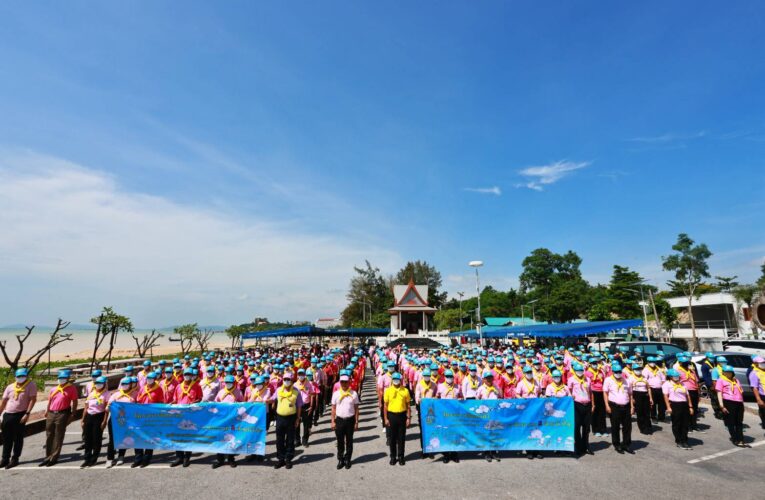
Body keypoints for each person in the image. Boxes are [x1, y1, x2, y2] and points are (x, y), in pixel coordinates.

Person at [0, 368, 37, 469]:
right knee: (6, 438)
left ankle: (15, 458)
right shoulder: (10, 387)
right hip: (8, 414)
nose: (21, 378)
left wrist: (27, 413)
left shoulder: (30, 385)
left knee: (18, 438)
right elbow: (4, 401)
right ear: (15, 377)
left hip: (20, 414)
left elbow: (32, 400)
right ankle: (4, 459)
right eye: (19, 376)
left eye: (23, 376)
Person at [40, 370, 78, 467]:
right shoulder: (54, 389)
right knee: (49, 434)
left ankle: (54, 457)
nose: (61, 380)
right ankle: (48, 456)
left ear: (68, 379)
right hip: (51, 413)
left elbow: (74, 401)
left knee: (58, 435)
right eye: (60, 378)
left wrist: (73, 414)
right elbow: (50, 401)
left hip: (62, 413)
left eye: (63, 378)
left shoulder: (71, 388)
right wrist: (47, 410)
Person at [171, 368, 203, 467]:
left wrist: (195, 402)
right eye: (185, 374)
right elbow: (175, 400)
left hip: (190, 415)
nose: (187, 376)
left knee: (188, 436)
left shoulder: (196, 386)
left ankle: (186, 457)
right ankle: (179, 457)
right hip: (179, 415)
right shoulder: (178, 387)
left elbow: (200, 398)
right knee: (178, 436)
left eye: (189, 374)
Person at [271, 371, 303, 469]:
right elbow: (272, 399)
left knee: (290, 439)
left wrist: (298, 418)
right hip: (280, 418)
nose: (286, 381)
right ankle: (281, 459)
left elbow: (299, 406)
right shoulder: (278, 390)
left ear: (292, 380)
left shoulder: (296, 391)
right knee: (279, 439)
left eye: (288, 379)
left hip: (291, 418)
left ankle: (288, 459)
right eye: (285, 379)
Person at [134, 371, 164, 467]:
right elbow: (138, 400)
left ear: (155, 380)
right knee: (138, 436)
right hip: (140, 416)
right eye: (147, 379)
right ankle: (138, 458)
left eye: (151, 379)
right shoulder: (143, 388)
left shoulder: (159, 389)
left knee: (149, 437)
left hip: (151, 416)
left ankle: (146, 459)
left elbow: (160, 403)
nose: (149, 380)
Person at [331, 372, 360, 470]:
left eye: (346, 382)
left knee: (349, 441)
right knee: (340, 441)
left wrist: (356, 422)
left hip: (350, 420)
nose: (344, 384)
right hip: (339, 420)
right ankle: (340, 459)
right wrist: (332, 421)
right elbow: (333, 408)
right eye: (342, 382)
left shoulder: (354, 393)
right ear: (340, 382)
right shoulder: (336, 394)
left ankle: (348, 459)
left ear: (349, 382)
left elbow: (356, 409)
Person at [603, 364, 634, 454]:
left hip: (626, 405)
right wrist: (607, 406)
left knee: (627, 426)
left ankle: (626, 444)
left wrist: (632, 406)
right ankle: (617, 444)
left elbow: (630, 394)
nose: (618, 373)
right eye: (616, 372)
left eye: (620, 372)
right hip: (614, 406)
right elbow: (605, 393)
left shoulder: (627, 381)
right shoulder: (608, 380)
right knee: (615, 426)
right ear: (613, 372)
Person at [213, 374, 242, 468]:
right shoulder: (221, 392)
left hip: (233, 420)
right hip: (222, 420)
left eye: (230, 382)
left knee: (231, 439)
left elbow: (243, 404)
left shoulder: (238, 392)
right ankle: (220, 459)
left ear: (233, 383)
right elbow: (215, 403)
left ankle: (231, 459)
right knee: (220, 438)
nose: (228, 384)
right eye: (227, 382)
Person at [80, 375, 109, 468]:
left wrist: (104, 421)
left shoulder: (107, 394)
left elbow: (106, 410)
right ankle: (86, 458)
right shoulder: (92, 393)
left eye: (100, 383)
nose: (98, 385)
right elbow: (86, 407)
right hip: (89, 416)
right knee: (88, 439)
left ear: (104, 384)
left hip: (99, 416)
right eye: (97, 383)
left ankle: (94, 458)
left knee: (96, 438)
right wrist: (83, 420)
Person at [716, 364, 748, 447]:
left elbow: (740, 393)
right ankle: (735, 439)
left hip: (739, 402)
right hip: (729, 402)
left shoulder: (736, 380)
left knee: (739, 422)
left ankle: (741, 439)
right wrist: (721, 405)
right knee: (731, 422)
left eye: (730, 372)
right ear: (723, 372)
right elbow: (719, 393)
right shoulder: (721, 380)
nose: (728, 374)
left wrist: (742, 404)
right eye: (726, 372)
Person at [105, 377, 134, 467]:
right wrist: (110, 408)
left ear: (130, 385)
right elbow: (108, 407)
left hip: (126, 420)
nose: (125, 386)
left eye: (127, 384)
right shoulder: (115, 395)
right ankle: (110, 459)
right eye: (123, 384)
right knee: (112, 439)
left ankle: (121, 456)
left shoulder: (133, 395)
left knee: (123, 437)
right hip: (114, 419)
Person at [383, 372, 410, 466]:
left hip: (402, 415)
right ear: (392, 380)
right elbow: (385, 406)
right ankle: (393, 457)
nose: (396, 380)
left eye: (397, 379)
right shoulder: (388, 391)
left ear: (400, 380)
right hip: (392, 416)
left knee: (401, 438)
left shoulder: (405, 390)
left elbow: (408, 405)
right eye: (394, 379)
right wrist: (385, 418)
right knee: (392, 438)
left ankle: (401, 457)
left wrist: (408, 418)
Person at [662, 369, 693, 450]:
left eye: (677, 376)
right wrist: (668, 407)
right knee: (677, 423)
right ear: (670, 376)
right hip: (674, 404)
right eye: (675, 376)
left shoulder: (682, 384)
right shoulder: (667, 384)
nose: (677, 377)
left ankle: (684, 440)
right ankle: (679, 441)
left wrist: (690, 406)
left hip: (684, 404)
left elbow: (687, 395)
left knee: (685, 423)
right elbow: (665, 396)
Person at [567, 363, 593, 457]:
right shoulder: (571, 379)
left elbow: (590, 392)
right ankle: (577, 447)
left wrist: (593, 404)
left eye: (581, 370)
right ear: (574, 371)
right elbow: (569, 390)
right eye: (578, 371)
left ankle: (585, 446)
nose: (580, 372)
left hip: (587, 404)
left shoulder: (587, 379)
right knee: (577, 427)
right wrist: (571, 397)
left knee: (586, 428)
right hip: (577, 404)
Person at [436, 369, 462, 463]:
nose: (449, 378)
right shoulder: (440, 386)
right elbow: (437, 398)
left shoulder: (457, 387)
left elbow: (461, 398)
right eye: (447, 377)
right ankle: (446, 455)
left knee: (455, 433)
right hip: (444, 414)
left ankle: (454, 454)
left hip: (455, 414)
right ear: (444, 377)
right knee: (445, 434)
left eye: (451, 377)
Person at [476, 370, 502, 462]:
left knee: (494, 433)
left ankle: (494, 452)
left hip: (495, 413)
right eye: (487, 378)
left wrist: (498, 390)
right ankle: (486, 453)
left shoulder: (496, 387)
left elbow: (501, 397)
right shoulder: (481, 389)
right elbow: (477, 400)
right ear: (484, 379)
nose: (489, 380)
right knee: (486, 433)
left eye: (491, 378)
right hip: (485, 415)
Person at [629, 362, 653, 435]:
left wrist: (651, 398)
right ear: (633, 370)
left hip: (645, 395)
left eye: (640, 369)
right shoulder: (631, 378)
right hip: (636, 394)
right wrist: (632, 399)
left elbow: (648, 388)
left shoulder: (644, 377)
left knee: (647, 412)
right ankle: (642, 428)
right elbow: (630, 390)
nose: (639, 370)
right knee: (640, 413)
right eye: (637, 369)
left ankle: (648, 427)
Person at [643, 356, 666, 423]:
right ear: (648, 362)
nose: (652, 363)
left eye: (654, 362)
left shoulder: (658, 369)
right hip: (651, 389)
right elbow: (645, 380)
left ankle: (662, 417)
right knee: (652, 404)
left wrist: (661, 384)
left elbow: (663, 378)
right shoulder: (646, 370)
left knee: (661, 403)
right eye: (651, 362)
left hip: (660, 388)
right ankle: (653, 417)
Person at [749, 356, 765, 430]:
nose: (763, 364)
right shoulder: (754, 373)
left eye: (763, 362)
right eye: (761, 363)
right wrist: (759, 400)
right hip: (763, 397)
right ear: (755, 363)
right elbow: (754, 388)